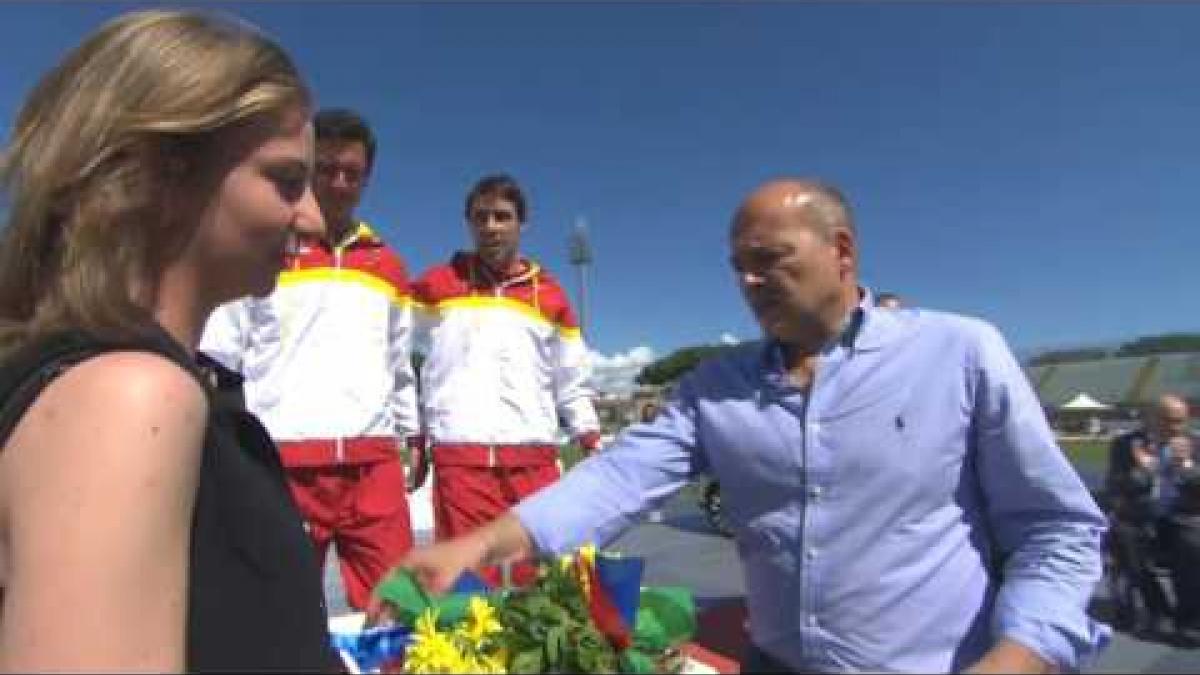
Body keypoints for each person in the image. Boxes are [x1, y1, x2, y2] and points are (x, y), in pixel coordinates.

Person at [392, 178, 1110, 673]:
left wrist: (1020, 656)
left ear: (843, 251)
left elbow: (1057, 530)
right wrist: (479, 544)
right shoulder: (716, 390)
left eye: (769, 260)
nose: (749, 282)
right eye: (738, 267)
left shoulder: (961, 353)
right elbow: (616, 478)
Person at [0, 9, 341, 670]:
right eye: (285, 181)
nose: (315, 219)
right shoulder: (128, 399)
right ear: (158, 170)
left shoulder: (98, 379)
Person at [200, 108, 420, 612]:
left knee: (402, 613)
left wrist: (412, 435)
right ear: (307, 168)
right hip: (284, 463)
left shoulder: (388, 265)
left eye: (353, 173)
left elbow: (399, 364)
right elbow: (220, 354)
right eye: (327, 169)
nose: (340, 183)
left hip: (373, 465)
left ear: (367, 178)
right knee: (279, 616)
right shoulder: (264, 246)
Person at [410, 174, 602, 584]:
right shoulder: (435, 284)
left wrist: (588, 435)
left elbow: (570, 378)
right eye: (481, 218)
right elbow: (391, 354)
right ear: (469, 223)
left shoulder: (550, 295)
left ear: (522, 224)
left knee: (542, 582)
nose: (491, 227)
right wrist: (414, 432)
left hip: (533, 463)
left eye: (502, 216)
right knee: (469, 585)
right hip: (462, 461)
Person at [1104, 394, 1198, 634]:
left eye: (1180, 421)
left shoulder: (1194, 444)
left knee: (1192, 542)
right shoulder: (1125, 445)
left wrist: (1186, 467)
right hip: (1139, 515)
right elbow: (1115, 485)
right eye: (1168, 420)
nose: (1175, 427)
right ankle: (1159, 610)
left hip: (1182, 515)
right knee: (1128, 540)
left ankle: (1188, 616)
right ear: (1150, 418)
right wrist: (1146, 471)